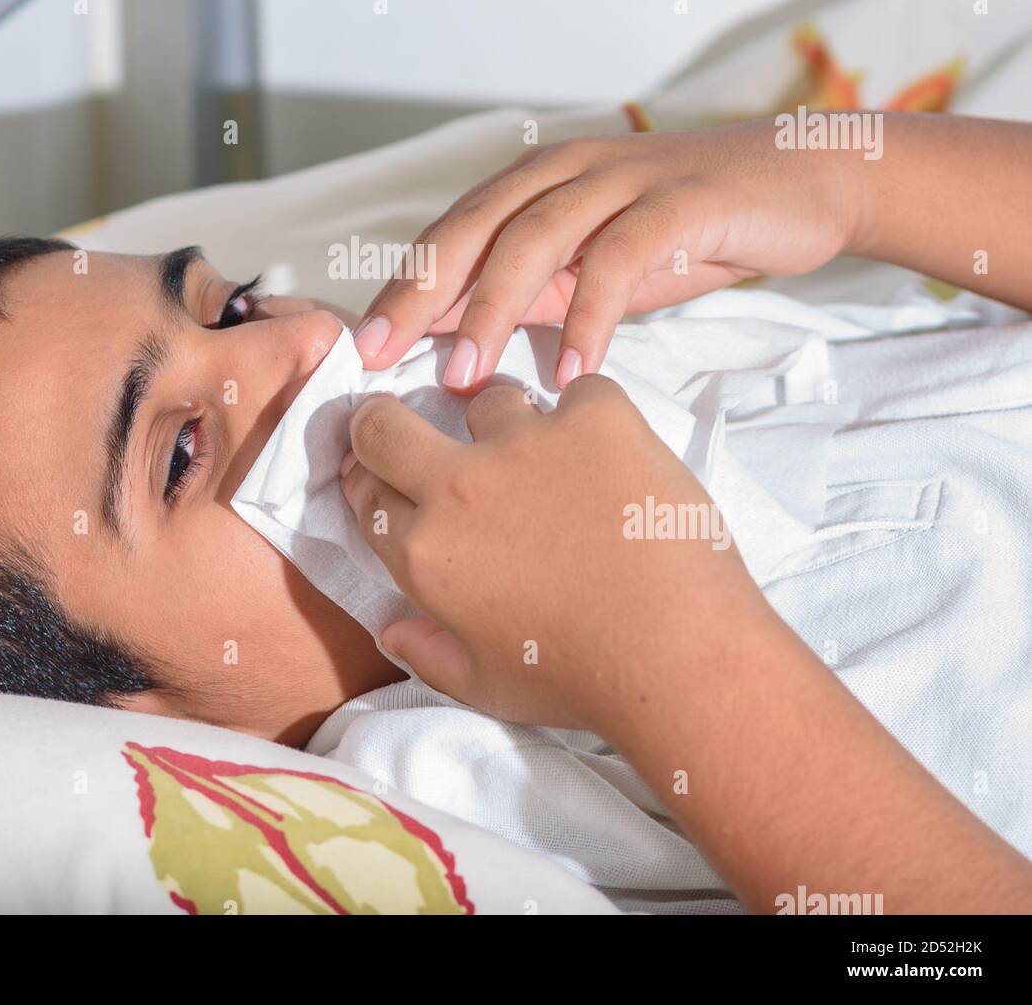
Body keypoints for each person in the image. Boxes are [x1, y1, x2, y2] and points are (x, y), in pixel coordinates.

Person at [339, 110, 1032, 912]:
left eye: (235, 306)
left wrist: (848, 178)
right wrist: (658, 649)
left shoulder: (687, 367)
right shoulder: (428, 810)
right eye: (179, 452)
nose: (303, 345)